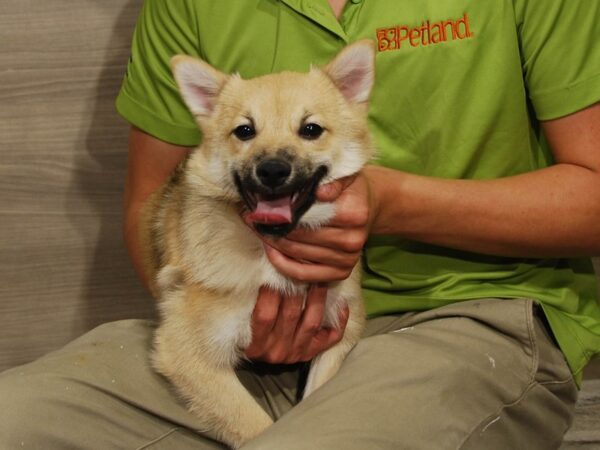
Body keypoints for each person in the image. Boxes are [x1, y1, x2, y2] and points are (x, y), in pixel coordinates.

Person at [1, 0, 599, 448]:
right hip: (239, 332)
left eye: (309, 130)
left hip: (470, 312)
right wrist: (219, 313)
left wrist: (387, 205)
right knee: (17, 419)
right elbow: (151, 203)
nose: (273, 156)